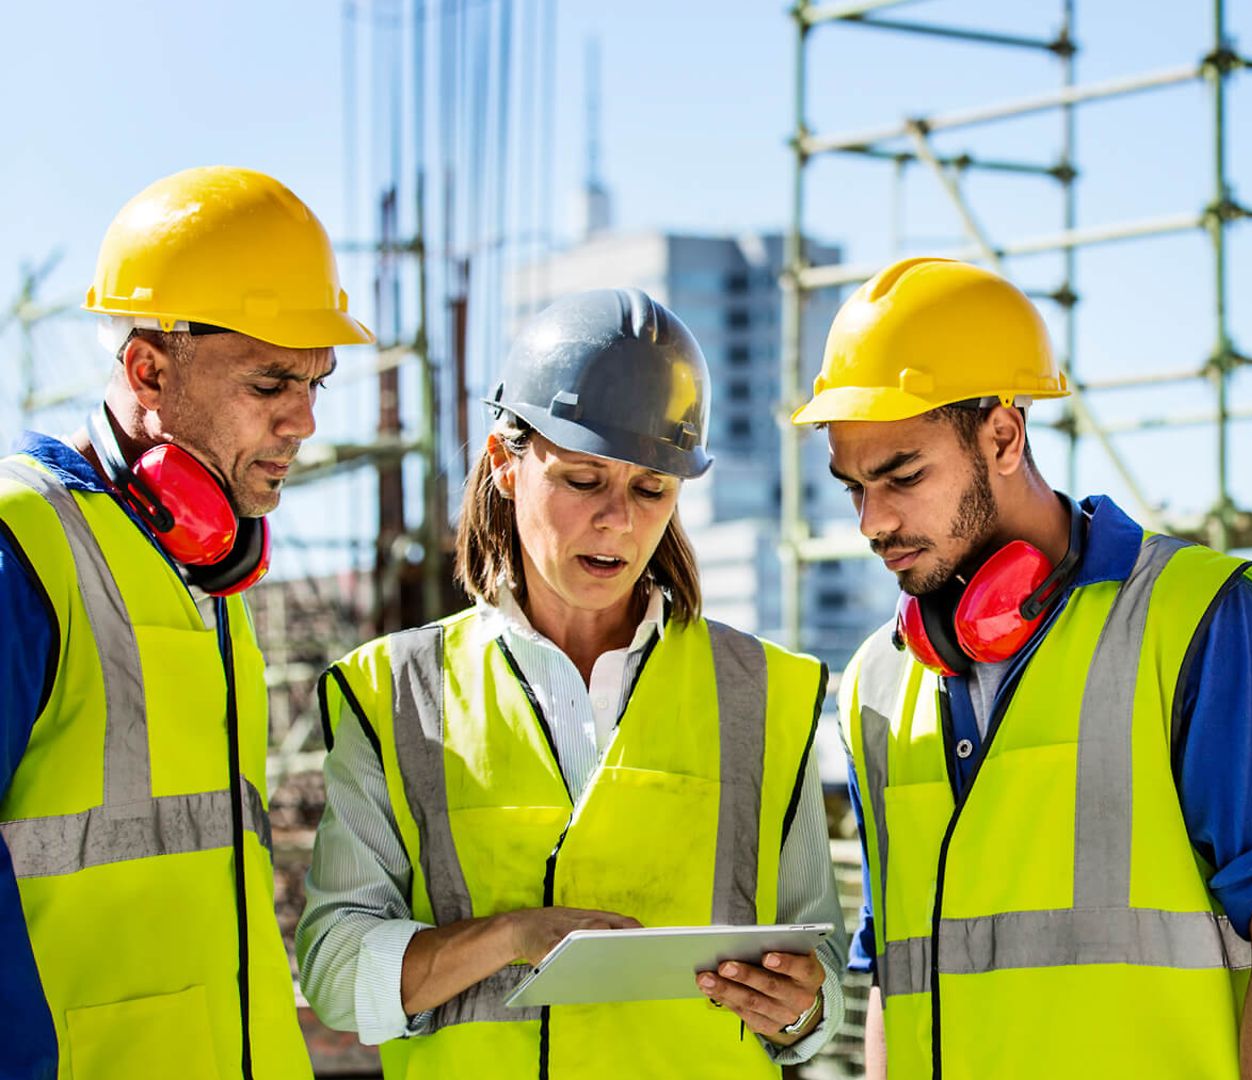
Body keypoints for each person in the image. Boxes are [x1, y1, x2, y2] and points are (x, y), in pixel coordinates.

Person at [791, 256, 1252, 1079]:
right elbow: (894, 980)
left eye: (903, 475)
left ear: (1004, 437)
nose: (874, 522)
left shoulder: (1199, 619)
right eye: (853, 489)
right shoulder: (879, 679)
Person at [295, 289, 847, 1077]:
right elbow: (339, 977)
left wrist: (801, 1010)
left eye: (651, 489)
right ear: (505, 465)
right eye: (584, 480)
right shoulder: (395, 694)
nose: (618, 521)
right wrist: (511, 939)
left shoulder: (764, 695)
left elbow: (812, 994)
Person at [0, 165, 371, 1079]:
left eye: (318, 383)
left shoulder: (205, 572)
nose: (303, 422)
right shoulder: (24, 547)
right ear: (147, 367)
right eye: (271, 382)